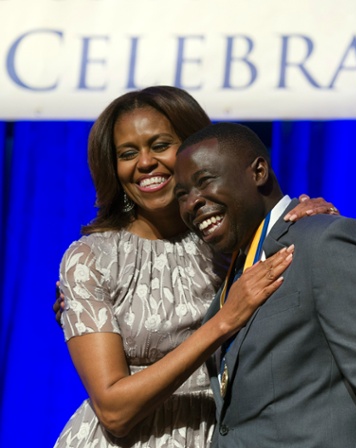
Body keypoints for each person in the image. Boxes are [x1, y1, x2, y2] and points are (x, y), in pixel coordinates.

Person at [53, 86, 338, 448]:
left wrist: (304, 217)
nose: (144, 163)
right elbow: (115, 412)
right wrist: (224, 320)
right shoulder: (92, 259)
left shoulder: (233, 241)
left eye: (160, 145)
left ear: (195, 148)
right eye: (128, 153)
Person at [174, 122, 356, 448]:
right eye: (182, 196)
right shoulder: (226, 292)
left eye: (205, 182)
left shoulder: (324, 242)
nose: (191, 204)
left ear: (258, 172)